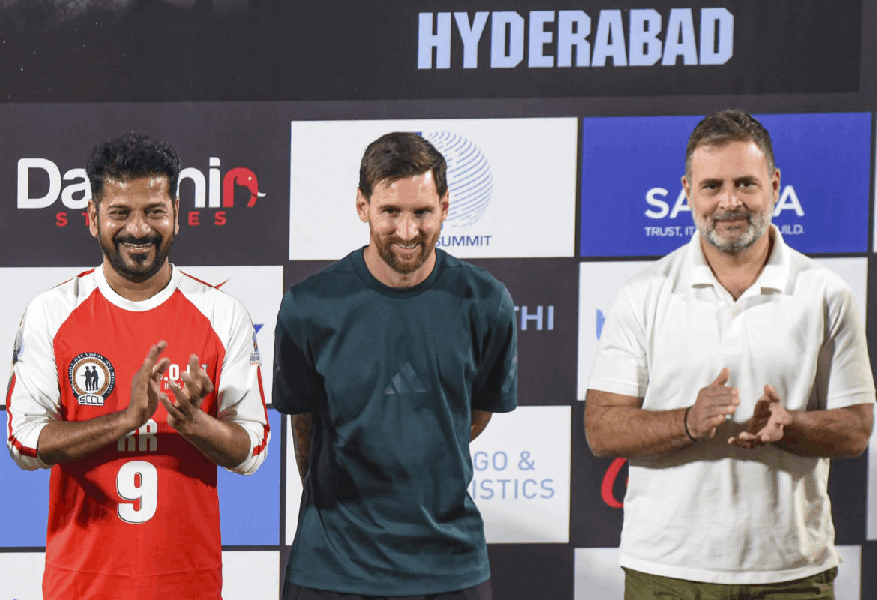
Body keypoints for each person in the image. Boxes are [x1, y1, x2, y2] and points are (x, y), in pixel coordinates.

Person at [584, 110, 875, 599]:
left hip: (791, 574)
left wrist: (793, 426)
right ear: (687, 191)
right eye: (712, 186)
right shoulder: (643, 293)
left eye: (746, 183)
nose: (729, 202)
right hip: (666, 574)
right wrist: (687, 423)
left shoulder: (827, 294)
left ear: (775, 186)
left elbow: (856, 430)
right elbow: (600, 428)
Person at [6, 132, 270, 600]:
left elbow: (251, 453)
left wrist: (194, 424)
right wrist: (126, 419)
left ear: (177, 216)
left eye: (154, 212)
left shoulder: (223, 314)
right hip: (80, 586)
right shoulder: (51, 312)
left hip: (189, 586)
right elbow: (24, 444)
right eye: (120, 213)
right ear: (92, 219)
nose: (139, 229)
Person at [274, 131, 518, 600]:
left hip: (450, 568)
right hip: (332, 569)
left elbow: (473, 415)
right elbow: (304, 428)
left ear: (445, 206)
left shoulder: (486, 302)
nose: (408, 232)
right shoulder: (309, 306)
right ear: (362, 206)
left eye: (422, 212)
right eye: (391, 212)